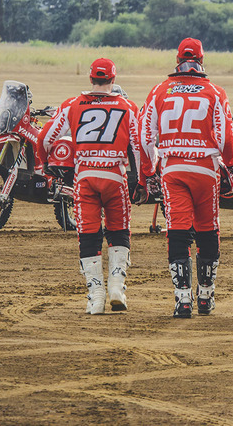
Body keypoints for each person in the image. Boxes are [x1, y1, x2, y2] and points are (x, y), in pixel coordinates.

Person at [37, 58, 149, 315]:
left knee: (88, 234)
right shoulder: (127, 106)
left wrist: (44, 165)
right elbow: (139, 147)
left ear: (90, 79)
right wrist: (142, 180)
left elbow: (45, 137)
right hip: (115, 176)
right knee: (119, 231)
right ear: (113, 79)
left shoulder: (72, 104)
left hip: (85, 177)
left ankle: (95, 296)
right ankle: (117, 288)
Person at [139, 38, 233, 318]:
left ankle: (182, 300)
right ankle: (205, 296)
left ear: (178, 58)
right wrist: (230, 163)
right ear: (201, 61)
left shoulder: (159, 90)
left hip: (173, 168)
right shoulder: (215, 92)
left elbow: (145, 136)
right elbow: (226, 137)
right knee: (208, 227)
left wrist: (149, 168)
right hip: (206, 168)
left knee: (178, 229)